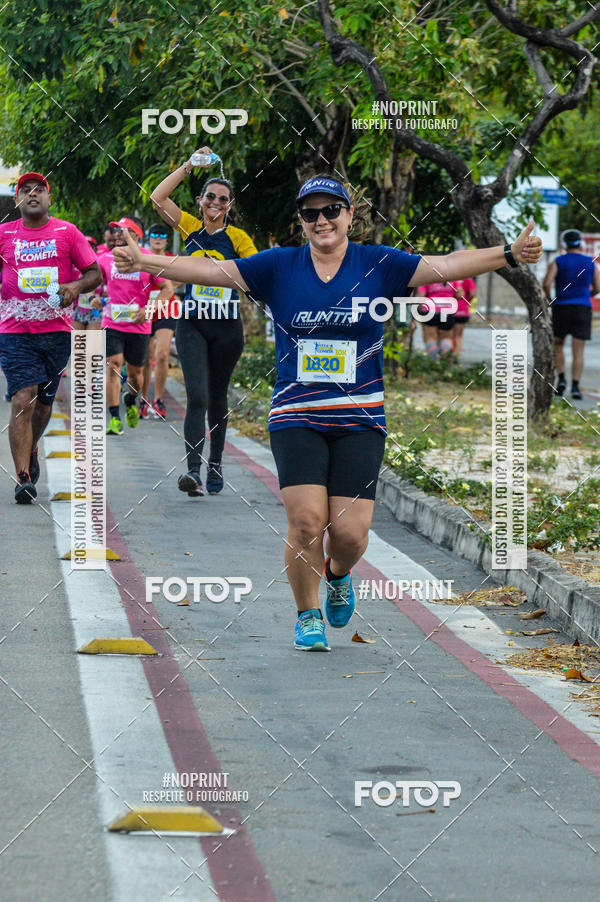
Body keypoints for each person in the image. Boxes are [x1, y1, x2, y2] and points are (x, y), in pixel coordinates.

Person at [115, 174, 542, 651]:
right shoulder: (279, 266)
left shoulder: (377, 262)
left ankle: (339, 573)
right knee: (306, 523)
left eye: (330, 211)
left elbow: (444, 264)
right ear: (302, 221)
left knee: (351, 535)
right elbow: (213, 272)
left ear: (348, 215)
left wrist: (507, 254)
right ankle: (307, 614)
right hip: (296, 415)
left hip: (360, 417)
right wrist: (145, 260)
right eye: (311, 213)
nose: (322, 221)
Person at [150, 147, 257, 495]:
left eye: (222, 199)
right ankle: (193, 472)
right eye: (210, 196)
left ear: (229, 205)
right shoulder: (191, 227)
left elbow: (254, 276)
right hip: (193, 324)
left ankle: (216, 464)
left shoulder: (238, 238)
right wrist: (188, 165)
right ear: (200, 200)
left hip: (227, 328)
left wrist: (224, 274)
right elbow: (158, 197)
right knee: (197, 396)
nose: (216, 202)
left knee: (217, 398)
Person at [0, 172, 101, 502]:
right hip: (15, 331)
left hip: (56, 331)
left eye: (39, 190)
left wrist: (73, 288)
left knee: (43, 406)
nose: (32, 194)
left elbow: (94, 273)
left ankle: (31, 448)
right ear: (17, 201)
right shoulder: (3, 234)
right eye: (25, 190)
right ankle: (22, 477)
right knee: (22, 398)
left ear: (49, 199)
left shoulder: (67, 232)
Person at [93, 217, 173, 435]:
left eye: (123, 230)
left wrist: (149, 310)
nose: (117, 234)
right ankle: (115, 419)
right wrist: (94, 297)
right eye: (116, 230)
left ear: (136, 234)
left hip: (139, 326)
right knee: (113, 365)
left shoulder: (149, 259)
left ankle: (130, 399)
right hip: (112, 322)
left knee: (136, 375)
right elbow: (95, 283)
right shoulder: (105, 258)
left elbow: (168, 289)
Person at [543, 228, 600, 400]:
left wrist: (550, 299)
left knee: (558, 344)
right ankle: (575, 387)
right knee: (579, 350)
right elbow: (598, 288)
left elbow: (546, 284)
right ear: (580, 243)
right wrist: (585, 297)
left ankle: (561, 380)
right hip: (582, 308)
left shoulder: (558, 261)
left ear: (564, 244)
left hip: (561, 307)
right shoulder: (591, 262)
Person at [140, 223, 180, 420]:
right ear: (148, 238)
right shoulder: (142, 257)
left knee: (162, 354)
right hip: (145, 311)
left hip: (167, 309)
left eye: (162, 235)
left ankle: (158, 399)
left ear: (166, 240)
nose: (158, 238)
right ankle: (144, 398)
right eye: (154, 235)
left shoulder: (173, 260)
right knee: (146, 358)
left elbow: (182, 279)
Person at [416, 279, 459, 359]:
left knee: (430, 337)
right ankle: (444, 364)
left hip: (431, 310)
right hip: (448, 309)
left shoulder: (428, 278)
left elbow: (421, 296)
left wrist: (419, 310)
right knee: (446, 337)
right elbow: (460, 293)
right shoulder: (451, 278)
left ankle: (433, 362)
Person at [452, 277, 476, 356]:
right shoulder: (468, 278)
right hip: (463, 309)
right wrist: (466, 301)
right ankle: (456, 357)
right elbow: (473, 293)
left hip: (449, 309)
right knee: (459, 335)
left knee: (448, 335)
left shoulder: (450, 277)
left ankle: (447, 357)